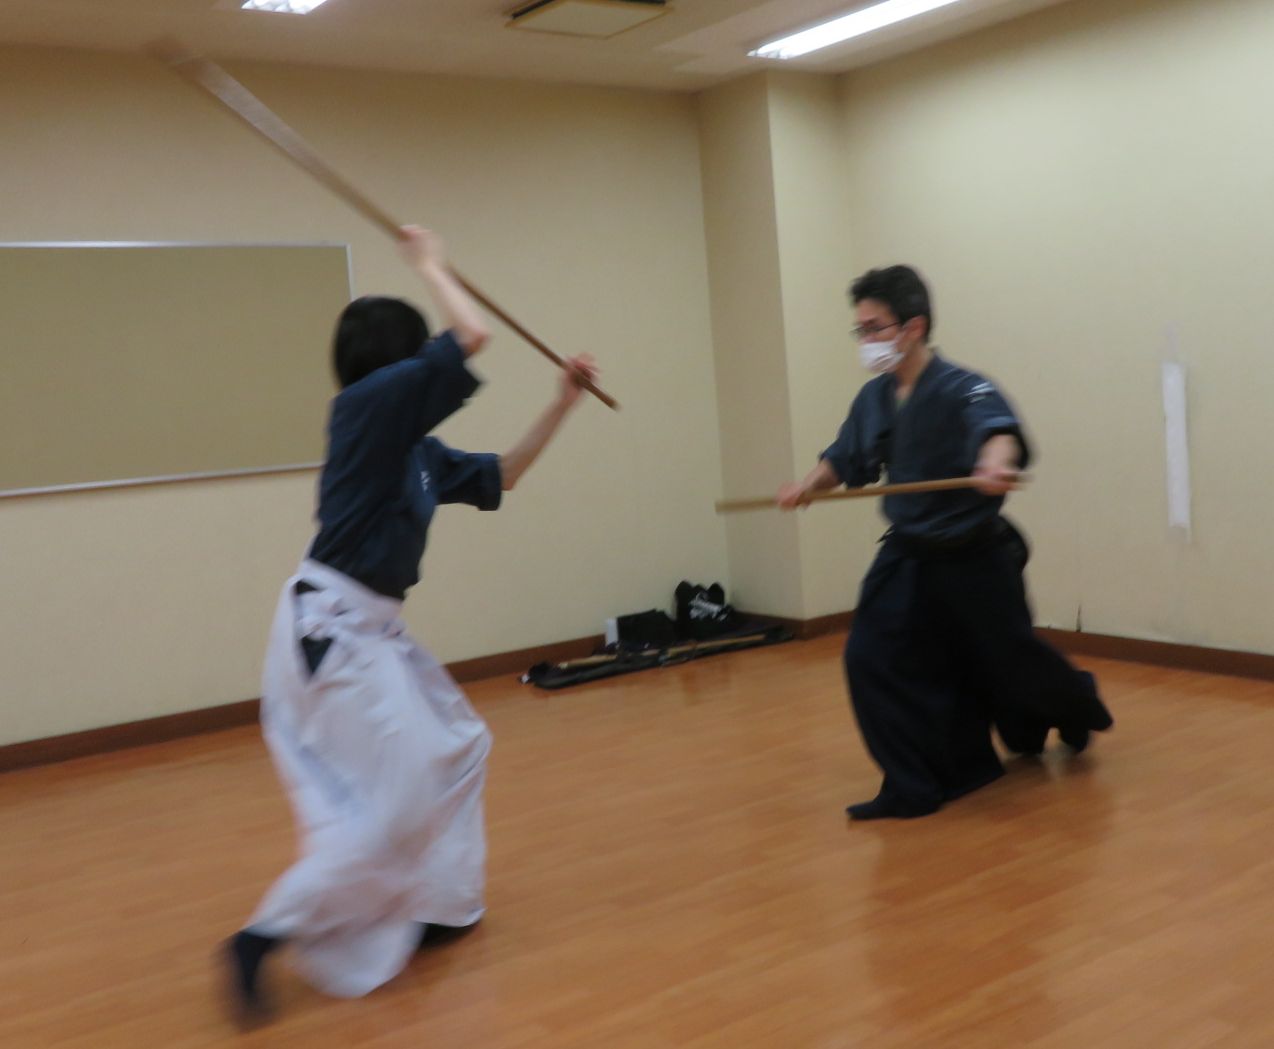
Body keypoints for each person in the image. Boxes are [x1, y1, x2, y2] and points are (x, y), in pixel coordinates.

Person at [223, 226, 598, 1022]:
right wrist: (429, 261)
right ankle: (264, 932)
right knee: (399, 801)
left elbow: (506, 474)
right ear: (395, 363)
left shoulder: (416, 448)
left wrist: (561, 402)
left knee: (461, 745)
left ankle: (439, 905)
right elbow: (473, 334)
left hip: (372, 631)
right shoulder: (363, 410)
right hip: (330, 629)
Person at [778, 265, 1111, 821]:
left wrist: (994, 462)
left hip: (973, 551)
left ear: (913, 328)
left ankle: (1075, 703)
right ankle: (915, 784)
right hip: (908, 552)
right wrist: (807, 486)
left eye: (874, 328)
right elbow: (842, 457)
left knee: (1010, 664)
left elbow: (997, 431)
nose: (865, 340)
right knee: (869, 657)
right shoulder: (874, 398)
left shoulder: (963, 387)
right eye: (860, 330)